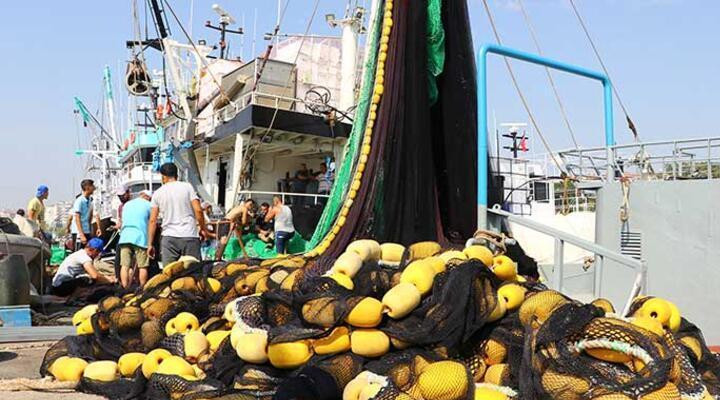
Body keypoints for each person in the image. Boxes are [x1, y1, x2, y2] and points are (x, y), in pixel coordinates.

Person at [147, 163, 209, 264]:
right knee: (193, 272)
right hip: (189, 235)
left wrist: (150, 244)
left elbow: (153, 220)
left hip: (169, 237)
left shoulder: (157, 193)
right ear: (177, 175)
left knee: (170, 273)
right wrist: (203, 228)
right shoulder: (187, 187)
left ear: (163, 177)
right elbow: (198, 210)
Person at [50, 238, 116, 296]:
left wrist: (107, 277)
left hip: (57, 286)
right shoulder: (85, 258)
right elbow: (95, 276)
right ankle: (73, 299)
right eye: (98, 252)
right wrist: (109, 280)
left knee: (87, 277)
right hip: (61, 287)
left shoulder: (80, 253)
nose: (98, 255)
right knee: (87, 279)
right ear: (94, 250)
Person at [118, 191, 152, 288]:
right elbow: (152, 221)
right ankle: (142, 288)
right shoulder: (149, 205)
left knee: (124, 265)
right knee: (143, 265)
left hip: (125, 236)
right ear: (147, 197)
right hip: (140, 237)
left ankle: (125, 288)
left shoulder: (127, 204)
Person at [71, 180, 102, 250]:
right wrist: (81, 235)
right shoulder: (79, 201)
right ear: (87, 187)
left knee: (87, 253)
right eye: (92, 186)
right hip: (79, 233)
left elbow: (91, 217)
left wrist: (94, 229)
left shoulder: (90, 201)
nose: (94, 188)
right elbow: (77, 218)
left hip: (87, 231)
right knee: (79, 254)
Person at [113, 186, 131, 280]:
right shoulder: (120, 207)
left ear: (128, 193)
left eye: (122, 195)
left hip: (131, 235)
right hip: (123, 235)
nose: (121, 198)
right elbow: (120, 221)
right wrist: (115, 227)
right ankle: (118, 278)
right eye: (119, 196)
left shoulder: (132, 205)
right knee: (119, 259)